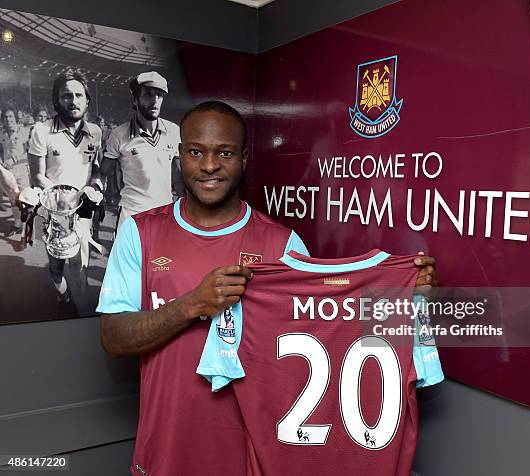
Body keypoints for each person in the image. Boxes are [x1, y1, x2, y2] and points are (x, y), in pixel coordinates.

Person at [97, 100, 437, 475]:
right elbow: (114, 338)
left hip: (254, 461)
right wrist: (191, 304)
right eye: (196, 152)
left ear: (243, 159)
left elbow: (331, 331)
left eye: (224, 153)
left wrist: (401, 297)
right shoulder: (141, 233)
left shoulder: (282, 245)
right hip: (166, 453)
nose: (209, 166)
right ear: (180, 156)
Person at [28, 71, 103, 303]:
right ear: (57, 100)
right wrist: (63, 198)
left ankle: (81, 306)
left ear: (87, 100)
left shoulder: (96, 132)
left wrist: (97, 183)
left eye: (79, 95)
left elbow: (96, 166)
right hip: (55, 211)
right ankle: (63, 293)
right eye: (67, 95)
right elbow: (37, 175)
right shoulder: (41, 131)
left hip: (83, 210)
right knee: (57, 267)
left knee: (80, 264)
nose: (73, 100)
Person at [100, 71, 183, 229]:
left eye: (159, 95)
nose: (155, 100)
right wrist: (96, 190)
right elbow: (102, 173)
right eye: (148, 94)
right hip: (132, 215)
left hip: (164, 215)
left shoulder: (174, 131)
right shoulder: (119, 134)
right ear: (135, 99)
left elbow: (178, 177)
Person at [0, 105, 30, 236]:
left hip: (22, 168)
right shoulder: (1, 133)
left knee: (24, 197)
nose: (8, 119)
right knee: (13, 197)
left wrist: (12, 159)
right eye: (5, 117)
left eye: (10, 116)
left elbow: (25, 149)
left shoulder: (23, 131)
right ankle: (17, 223)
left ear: (15, 117)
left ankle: (27, 224)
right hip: (8, 170)